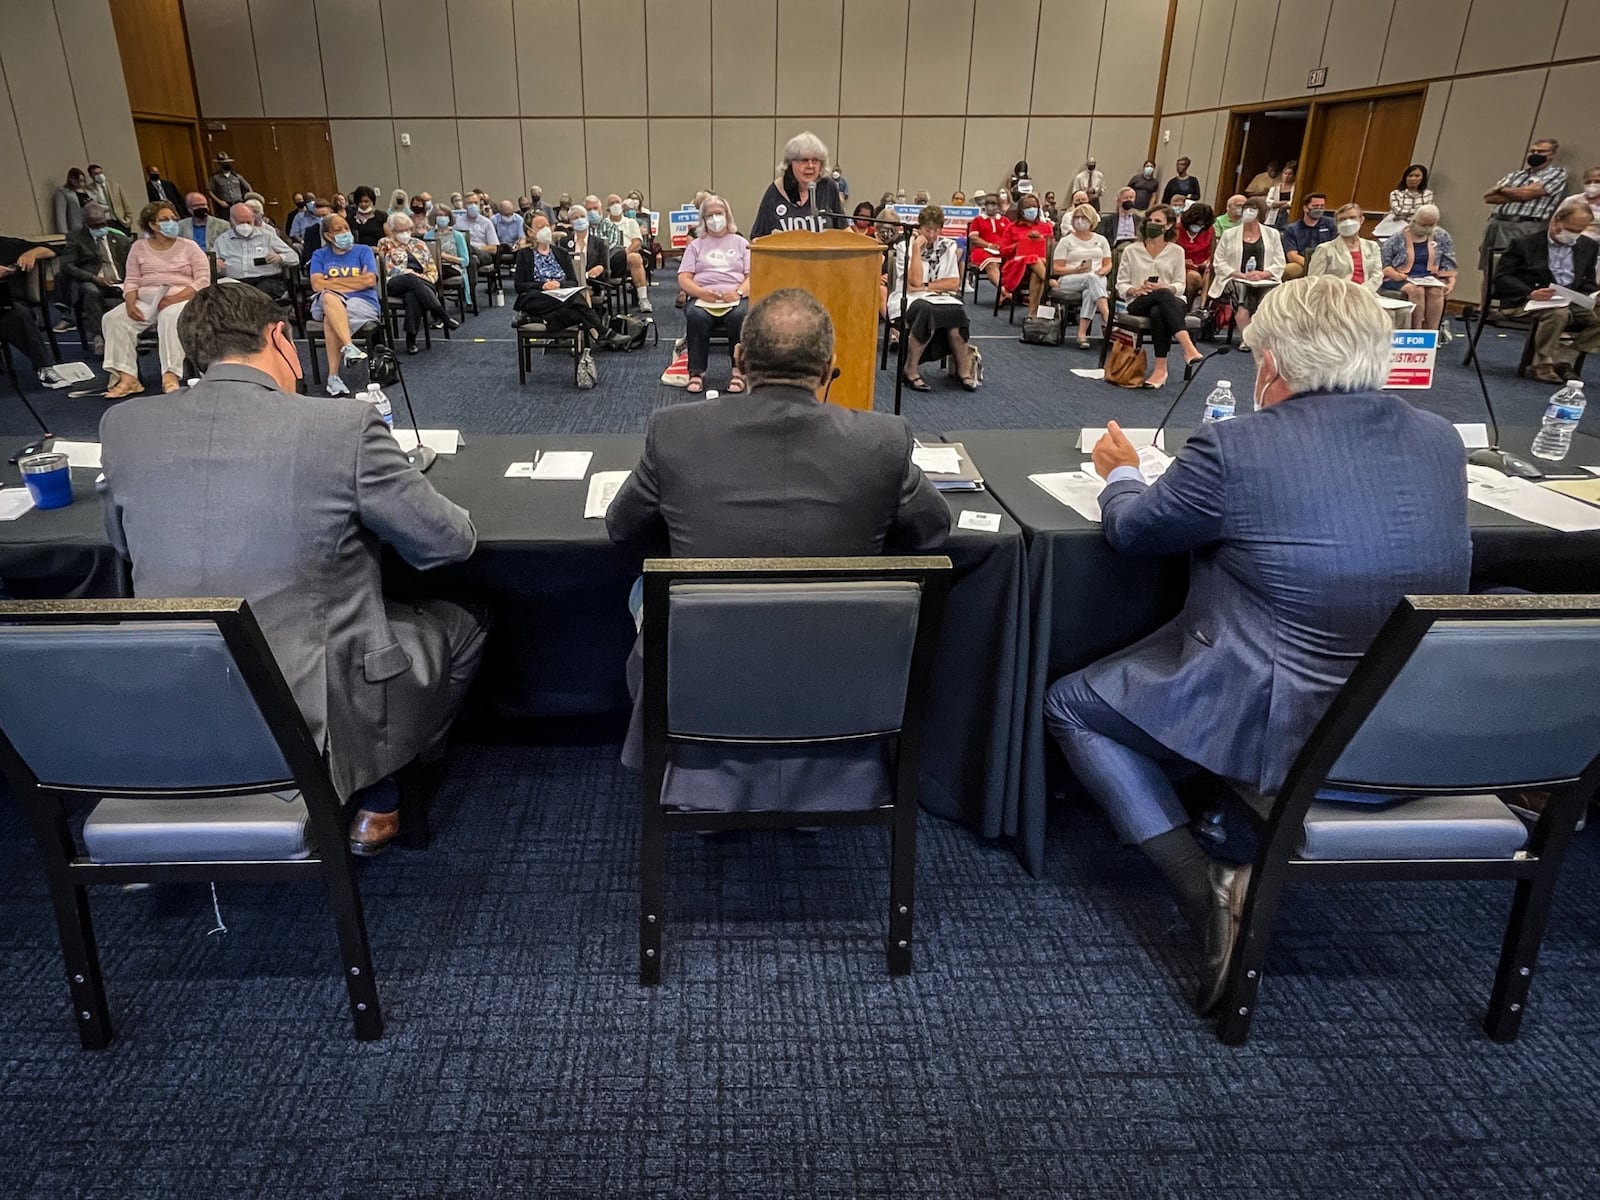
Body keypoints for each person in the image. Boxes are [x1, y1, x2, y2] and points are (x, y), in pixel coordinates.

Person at [1048, 275, 1471, 1013]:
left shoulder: (1235, 446)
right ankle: (1222, 819)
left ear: (1270, 363)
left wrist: (1122, 478)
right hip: (1424, 731)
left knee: (1073, 704)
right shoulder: (1439, 438)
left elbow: (1135, 532)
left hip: (1294, 739)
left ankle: (1203, 885)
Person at [100, 282, 486, 856]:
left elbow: (121, 544)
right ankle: (381, 786)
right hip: (309, 700)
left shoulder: (123, 427)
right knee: (464, 621)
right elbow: (449, 543)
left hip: (168, 688)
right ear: (280, 337)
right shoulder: (342, 427)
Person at [606, 288, 949, 812]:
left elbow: (622, 528)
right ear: (831, 368)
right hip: (842, 665)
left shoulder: (672, 429)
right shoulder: (883, 440)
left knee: (641, 592)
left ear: (739, 358)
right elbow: (932, 532)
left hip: (704, 667)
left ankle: (702, 767)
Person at [102, 200, 210, 397]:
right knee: (113, 319)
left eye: (173, 219)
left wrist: (173, 298)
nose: (172, 223)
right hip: (146, 299)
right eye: (165, 219)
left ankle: (170, 374)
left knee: (169, 317)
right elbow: (132, 279)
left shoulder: (189, 246)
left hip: (181, 298)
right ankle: (128, 378)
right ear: (152, 225)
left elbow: (202, 280)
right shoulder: (139, 247)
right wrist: (130, 301)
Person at [1493, 198, 1600, 384]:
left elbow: (1587, 282)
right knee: (1558, 313)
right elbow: (1502, 278)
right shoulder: (1525, 243)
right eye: (1570, 229)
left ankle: (1564, 358)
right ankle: (1542, 363)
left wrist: (1595, 294)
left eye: (1579, 231)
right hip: (1530, 301)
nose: (1573, 235)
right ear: (1556, 220)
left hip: (1570, 300)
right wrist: (1529, 292)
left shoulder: (1588, 247)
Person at [891, 205, 977, 391]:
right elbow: (912, 282)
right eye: (927, 230)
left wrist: (926, 286)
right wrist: (915, 249)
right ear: (919, 228)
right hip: (907, 299)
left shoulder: (947, 246)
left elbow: (954, 282)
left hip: (940, 298)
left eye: (936, 230)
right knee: (926, 310)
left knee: (957, 312)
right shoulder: (904, 247)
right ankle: (910, 369)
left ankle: (963, 370)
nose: (932, 235)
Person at [1117, 204, 1202, 387]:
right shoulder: (1131, 250)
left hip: (1171, 300)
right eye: (1150, 220)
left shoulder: (1176, 251)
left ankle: (1160, 370)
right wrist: (1135, 290)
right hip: (1139, 301)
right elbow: (1121, 284)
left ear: (1169, 225)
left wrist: (1166, 287)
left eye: (1158, 221)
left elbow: (1180, 284)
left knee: (1158, 310)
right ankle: (1188, 347)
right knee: (1159, 298)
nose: (1152, 224)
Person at [512, 212, 609, 373]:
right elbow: (519, 286)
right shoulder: (524, 255)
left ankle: (544, 320)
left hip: (561, 297)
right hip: (538, 297)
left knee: (573, 303)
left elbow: (572, 282)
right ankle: (601, 330)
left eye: (547, 225)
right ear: (530, 232)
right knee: (575, 301)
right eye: (540, 227)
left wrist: (559, 284)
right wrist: (543, 285)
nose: (546, 230)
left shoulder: (561, 253)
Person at [676, 195, 749, 395]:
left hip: (735, 296)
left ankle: (738, 371)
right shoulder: (695, 245)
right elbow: (684, 278)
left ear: (727, 216)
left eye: (719, 214)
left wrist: (738, 292)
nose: (715, 219)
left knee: (739, 316)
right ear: (703, 219)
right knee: (695, 316)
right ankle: (696, 373)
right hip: (703, 297)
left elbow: (752, 276)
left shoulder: (741, 243)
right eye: (710, 215)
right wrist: (701, 293)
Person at [307, 213, 380, 397]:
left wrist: (332, 281)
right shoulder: (319, 255)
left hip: (361, 302)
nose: (344, 232)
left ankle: (333, 377)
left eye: (346, 228)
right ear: (328, 236)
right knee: (330, 298)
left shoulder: (363, 251)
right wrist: (355, 280)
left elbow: (370, 280)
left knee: (330, 317)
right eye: (338, 230)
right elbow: (316, 285)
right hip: (328, 301)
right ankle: (349, 346)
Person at [376, 211, 458, 353]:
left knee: (412, 295)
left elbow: (432, 270)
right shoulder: (385, 244)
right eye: (401, 230)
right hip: (394, 282)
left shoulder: (419, 244)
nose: (406, 233)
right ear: (393, 230)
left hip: (421, 283)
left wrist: (420, 278)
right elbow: (386, 269)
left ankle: (411, 340)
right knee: (410, 278)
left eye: (408, 229)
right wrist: (408, 274)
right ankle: (441, 314)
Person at [1481, 136, 1566, 264]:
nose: (1535, 154)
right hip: (1496, 223)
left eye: (1541, 151)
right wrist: (1520, 192)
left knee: (1511, 265)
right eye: (1532, 151)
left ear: (1552, 155)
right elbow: (1489, 197)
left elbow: (1526, 194)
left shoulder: (1556, 174)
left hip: (1524, 225)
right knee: (1489, 267)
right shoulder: (1516, 175)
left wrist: (1502, 189)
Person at [61, 202, 131, 356]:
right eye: (95, 226)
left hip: (120, 281)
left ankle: (136, 335)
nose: (101, 228)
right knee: (89, 290)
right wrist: (93, 278)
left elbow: (132, 262)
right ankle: (100, 336)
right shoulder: (76, 239)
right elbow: (66, 266)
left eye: (102, 224)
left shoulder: (119, 238)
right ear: (86, 224)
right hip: (94, 282)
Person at [1208, 197, 1284, 337]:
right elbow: (1219, 262)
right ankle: (1247, 337)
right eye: (1246, 208)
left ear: (1261, 213)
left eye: (1253, 209)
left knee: (1269, 294)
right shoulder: (1229, 234)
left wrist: (1262, 274)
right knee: (1241, 290)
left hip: (1263, 279)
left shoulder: (1272, 234)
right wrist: (1240, 275)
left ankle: (1262, 337)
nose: (1248, 212)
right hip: (1233, 279)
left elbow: (1279, 262)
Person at [751, 131, 847, 237]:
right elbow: (757, 238)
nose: (810, 165)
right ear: (790, 163)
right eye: (804, 160)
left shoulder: (828, 187)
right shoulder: (775, 191)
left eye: (815, 160)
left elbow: (845, 231)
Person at [1380, 204, 1456, 331]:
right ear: (1414, 221)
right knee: (1417, 290)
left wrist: (1450, 281)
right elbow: (1384, 264)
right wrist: (1396, 275)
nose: (1426, 229)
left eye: (1430, 225)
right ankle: (1416, 331)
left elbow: (1448, 261)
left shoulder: (1441, 236)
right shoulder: (1398, 238)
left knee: (1436, 291)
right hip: (1399, 277)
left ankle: (1432, 333)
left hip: (1428, 277)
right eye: (1423, 225)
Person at [1050, 203, 1112, 348]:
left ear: (1091, 220)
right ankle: (1107, 316)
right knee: (1092, 279)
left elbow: (1108, 263)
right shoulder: (1066, 241)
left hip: (1096, 279)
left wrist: (1103, 271)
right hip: (1070, 279)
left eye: (1083, 217)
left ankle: (1082, 334)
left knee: (1090, 289)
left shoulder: (1101, 240)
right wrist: (1075, 270)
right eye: (1076, 217)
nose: (1079, 220)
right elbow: (1056, 268)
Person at [0, 235, 56, 383]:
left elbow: (50, 249)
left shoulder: (9, 245)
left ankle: (44, 367)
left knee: (18, 314)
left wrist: (31, 253)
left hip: (9, 304)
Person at [214, 203, 299, 299]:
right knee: (228, 296)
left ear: (254, 220)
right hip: (236, 282)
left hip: (266, 279)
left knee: (259, 294)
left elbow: (294, 257)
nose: (245, 226)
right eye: (241, 222)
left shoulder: (267, 236)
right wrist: (215, 263)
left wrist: (280, 257)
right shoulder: (222, 240)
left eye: (249, 222)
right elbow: (212, 262)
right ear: (231, 222)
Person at [1000, 192, 1055, 316]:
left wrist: (1041, 238)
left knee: (1036, 268)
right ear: (1021, 210)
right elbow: (1003, 251)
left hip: (1041, 264)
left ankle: (1032, 314)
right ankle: (1049, 281)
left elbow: (1052, 249)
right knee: (1034, 260)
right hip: (1017, 265)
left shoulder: (1046, 227)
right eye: (1028, 206)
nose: (1032, 209)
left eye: (1034, 206)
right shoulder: (1011, 227)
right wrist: (1020, 244)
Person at [1308, 203, 1381, 293]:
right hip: (1336, 296)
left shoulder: (1372, 246)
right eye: (1342, 219)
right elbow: (1314, 280)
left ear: (1361, 220)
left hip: (1367, 295)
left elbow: (1377, 275)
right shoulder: (1325, 249)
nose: (1348, 222)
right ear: (1336, 223)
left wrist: (1362, 291)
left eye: (1352, 218)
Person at [602, 192, 653, 312]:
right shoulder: (603, 224)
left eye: (617, 202)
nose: (615, 205)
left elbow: (637, 243)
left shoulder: (631, 222)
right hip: (609, 257)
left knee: (635, 258)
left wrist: (624, 253)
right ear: (608, 208)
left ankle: (643, 299)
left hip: (627, 255)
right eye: (612, 203)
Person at [1280, 193, 1336, 280]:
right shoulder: (1292, 229)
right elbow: (1292, 256)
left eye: (1322, 206)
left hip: (1327, 263)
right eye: (1315, 206)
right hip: (1303, 263)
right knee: (1288, 270)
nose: (1319, 209)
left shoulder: (1331, 224)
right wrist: (1312, 264)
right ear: (1305, 208)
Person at [967, 192, 1011, 293]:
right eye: (987, 203)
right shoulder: (978, 220)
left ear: (999, 205)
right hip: (981, 250)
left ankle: (1010, 294)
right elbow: (973, 237)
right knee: (992, 264)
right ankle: (1003, 291)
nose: (990, 206)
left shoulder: (1006, 221)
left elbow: (1011, 237)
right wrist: (988, 245)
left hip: (1001, 251)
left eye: (993, 203)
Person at [1175, 202, 1214, 303]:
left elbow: (1213, 252)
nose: (1198, 226)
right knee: (1194, 278)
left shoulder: (1209, 231)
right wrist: (1183, 261)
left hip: (1203, 266)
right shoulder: (1177, 230)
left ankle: (1202, 307)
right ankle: (1187, 306)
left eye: (1201, 224)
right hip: (1182, 266)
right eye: (1196, 223)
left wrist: (1207, 262)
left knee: (1210, 274)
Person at [456, 194, 498, 273]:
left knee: (471, 253)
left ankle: (470, 248)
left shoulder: (486, 222)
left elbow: (494, 248)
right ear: (465, 206)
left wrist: (476, 248)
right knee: (473, 259)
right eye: (470, 203)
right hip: (466, 255)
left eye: (476, 203)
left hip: (484, 254)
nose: (473, 205)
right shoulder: (458, 222)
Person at [86, 164, 132, 231]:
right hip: (104, 222)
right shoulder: (89, 189)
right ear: (91, 175)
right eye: (96, 174)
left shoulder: (115, 186)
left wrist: (128, 219)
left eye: (100, 173)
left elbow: (125, 204)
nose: (99, 175)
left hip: (119, 221)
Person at [53, 167, 95, 238]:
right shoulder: (64, 192)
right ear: (72, 179)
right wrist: (64, 232)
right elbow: (60, 214)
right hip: (76, 226)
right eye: (79, 181)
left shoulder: (89, 191)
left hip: (91, 226)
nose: (82, 183)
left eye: (83, 181)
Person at [1562, 165, 1600, 242]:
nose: (1592, 185)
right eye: (1588, 182)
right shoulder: (1572, 200)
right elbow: (1557, 221)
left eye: (1597, 181)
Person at [1264, 161, 1296, 228]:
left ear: (1294, 176)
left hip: (1288, 216)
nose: (1287, 176)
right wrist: (1283, 203)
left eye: (1290, 174)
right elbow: (1269, 202)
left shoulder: (1295, 188)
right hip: (1274, 215)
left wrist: (1285, 205)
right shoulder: (1275, 188)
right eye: (1285, 173)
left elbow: (1292, 202)